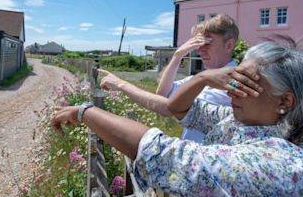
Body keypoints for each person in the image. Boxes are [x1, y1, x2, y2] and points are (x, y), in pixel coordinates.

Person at [51, 41, 303, 197]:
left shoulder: (281, 166)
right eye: (233, 80)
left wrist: (85, 112)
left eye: (244, 85)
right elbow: (178, 109)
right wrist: (204, 78)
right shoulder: (241, 123)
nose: (231, 90)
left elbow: (164, 153)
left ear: (285, 101)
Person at [99, 14, 239, 142]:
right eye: (199, 43)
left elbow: (168, 107)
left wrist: (120, 84)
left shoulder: (234, 83)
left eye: (207, 42)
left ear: (229, 45)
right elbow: (163, 93)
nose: (200, 49)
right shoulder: (200, 79)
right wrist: (177, 56)